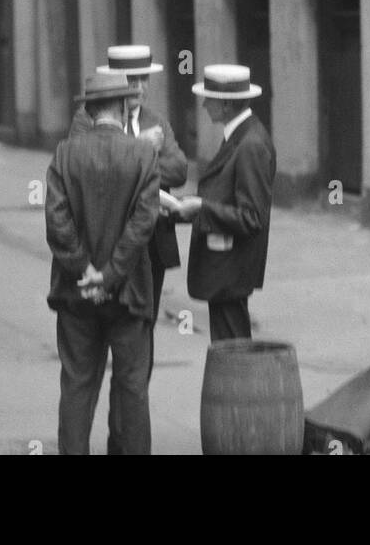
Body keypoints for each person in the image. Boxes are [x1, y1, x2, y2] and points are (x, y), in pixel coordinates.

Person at [70, 43, 187, 455]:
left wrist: (148, 151)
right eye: (131, 80)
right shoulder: (86, 122)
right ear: (116, 85)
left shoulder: (157, 121)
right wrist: (141, 151)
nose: (138, 87)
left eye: (144, 79)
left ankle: (122, 439)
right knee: (96, 361)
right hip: (108, 253)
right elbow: (88, 168)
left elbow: (180, 169)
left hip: (147, 254)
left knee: (136, 362)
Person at [46, 68, 160, 455]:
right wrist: (110, 275)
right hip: (128, 294)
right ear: (123, 104)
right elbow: (144, 223)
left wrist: (86, 272)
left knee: (77, 385)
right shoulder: (143, 154)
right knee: (132, 390)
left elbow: (57, 224)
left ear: (91, 110)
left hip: (75, 293)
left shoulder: (65, 154)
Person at [178, 63, 276, 342]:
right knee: (229, 346)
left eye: (209, 99)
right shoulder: (241, 136)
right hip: (226, 267)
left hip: (232, 267)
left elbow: (251, 217)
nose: (205, 105)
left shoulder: (250, 144)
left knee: (232, 350)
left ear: (225, 105)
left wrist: (201, 207)